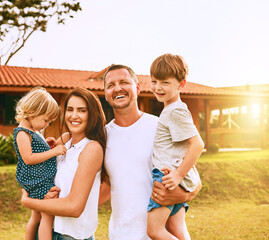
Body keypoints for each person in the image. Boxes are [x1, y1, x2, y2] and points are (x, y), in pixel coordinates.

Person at [98, 64, 202, 240]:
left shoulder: (160, 126)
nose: (117, 88)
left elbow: (194, 178)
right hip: (121, 235)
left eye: (124, 82)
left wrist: (184, 194)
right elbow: (110, 184)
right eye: (110, 85)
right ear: (106, 93)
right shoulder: (102, 137)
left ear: (137, 87)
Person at [21, 88, 107, 240]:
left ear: (92, 114)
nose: (74, 116)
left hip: (71, 236)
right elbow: (38, 165)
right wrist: (44, 147)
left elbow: (74, 208)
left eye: (82, 110)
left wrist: (30, 202)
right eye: (70, 109)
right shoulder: (65, 139)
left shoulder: (92, 148)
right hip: (46, 229)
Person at [146, 53, 204, 240]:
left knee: (155, 231)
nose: (157, 87)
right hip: (173, 174)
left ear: (181, 84)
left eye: (164, 82)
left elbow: (197, 144)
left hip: (167, 176)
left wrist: (178, 174)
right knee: (177, 229)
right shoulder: (171, 109)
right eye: (154, 81)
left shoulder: (174, 111)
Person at [14, 87, 67, 240]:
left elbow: (36, 150)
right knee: (47, 216)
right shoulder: (22, 133)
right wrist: (54, 151)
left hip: (38, 179)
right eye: (45, 120)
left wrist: (47, 144)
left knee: (36, 216)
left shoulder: (33, 131)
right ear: (32, 112)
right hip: (38, 181)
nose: (46, 124)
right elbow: (29, 158)